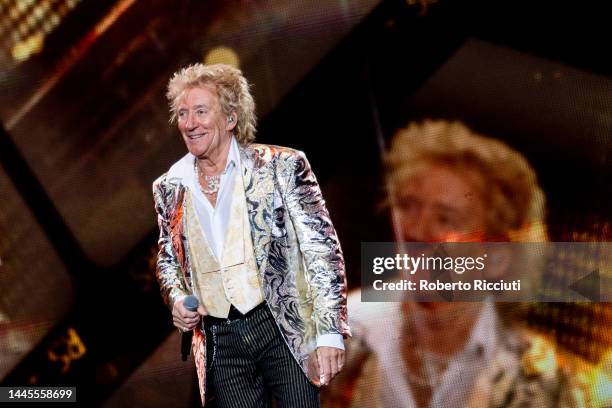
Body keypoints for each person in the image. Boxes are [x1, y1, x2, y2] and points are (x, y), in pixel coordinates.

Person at [324, 120, 586, 407]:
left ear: (496, 257)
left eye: (445, 218)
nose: (416, 231)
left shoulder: (536, 380)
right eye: (408, 206)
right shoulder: (343, 328)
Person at [152, 63, 350, 407]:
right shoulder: (170, 186)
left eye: (201, 111)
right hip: (221, 340)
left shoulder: (281, 167)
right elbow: (169, 259)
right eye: (183, 113)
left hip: (280, 327)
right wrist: (178, 299)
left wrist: (330, 330)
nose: (189, 123)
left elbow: (322, 251)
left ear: (230, 118)